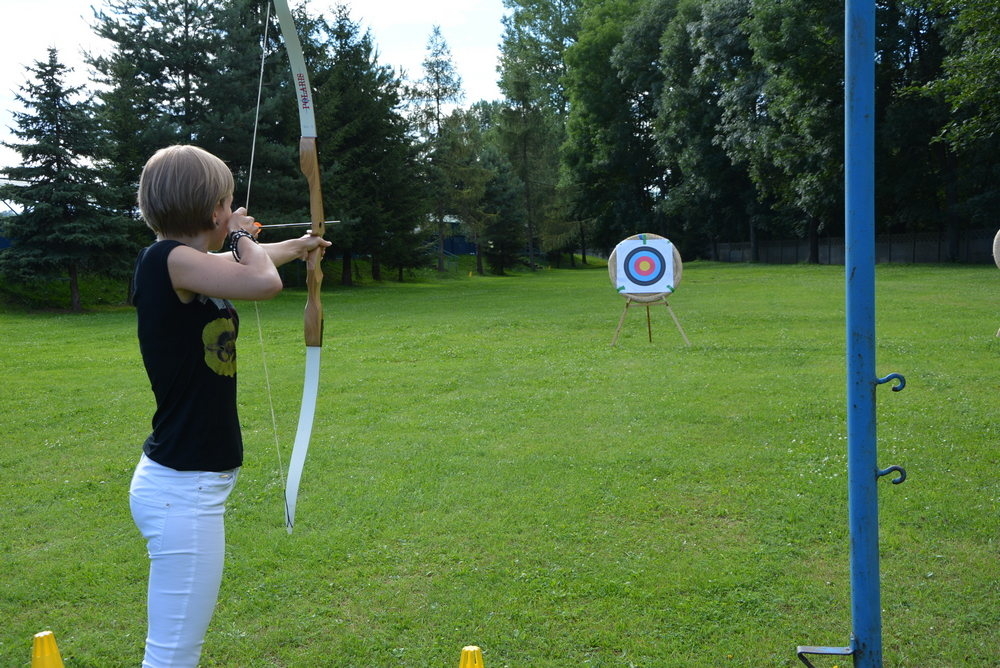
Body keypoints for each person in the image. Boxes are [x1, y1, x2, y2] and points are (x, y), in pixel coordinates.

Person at [128, 145, 330, 667]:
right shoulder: (165, 259)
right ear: (213, 209)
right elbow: (261, 280)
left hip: (184, 484)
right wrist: (242, 236)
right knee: (172, 655)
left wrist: (299, 246)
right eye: (227, 202)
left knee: (174, 652)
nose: (232, 211)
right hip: (183, 492)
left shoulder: (181, 265)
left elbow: (241, 265)